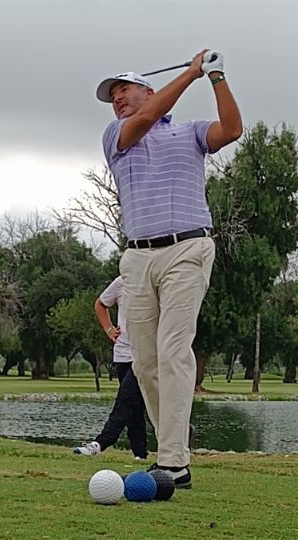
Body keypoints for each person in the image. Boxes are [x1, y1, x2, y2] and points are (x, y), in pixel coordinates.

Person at [96, 49, 242, 489]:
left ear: (149, 91)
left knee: (174, 349)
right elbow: (143, 122)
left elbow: (232, 129)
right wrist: (191, 74)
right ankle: (173, 454)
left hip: (188, 248)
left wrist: (214, 77)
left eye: (125, 90)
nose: (118, 99)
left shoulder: (190, 132)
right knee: (144, 364)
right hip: (137, 256)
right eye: (113, 95)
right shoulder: (117, 134)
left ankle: (173, 461)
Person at [73, 276, 147, 460]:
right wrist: (109, 329)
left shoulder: (154, 280)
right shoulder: (122, 282)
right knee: (134, 408)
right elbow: (100, 304)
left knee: (125, 400)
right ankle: (140, 454)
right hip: (122, 355)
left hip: (145, 354)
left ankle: (101, 443)